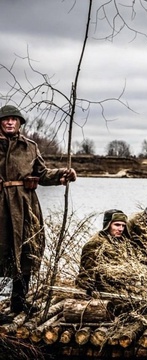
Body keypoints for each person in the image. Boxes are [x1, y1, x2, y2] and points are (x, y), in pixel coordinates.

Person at [0, 104, 77, 315]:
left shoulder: (30, 147)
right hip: (0, 207)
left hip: (26, 206)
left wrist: (62, 174)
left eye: (14, 119)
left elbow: (42, 174)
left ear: (19, 124)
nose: (9, 122)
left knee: (28, 250)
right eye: (6, 119)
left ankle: (19, 301)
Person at [76, 209, 147, 294]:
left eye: (123, 226)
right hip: (110, 289)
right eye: (117, 225)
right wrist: (88, 295)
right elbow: (86, 275)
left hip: (129, 285)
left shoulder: (122, 242)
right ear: (107, 225)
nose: (120, 229)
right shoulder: (95, 244)